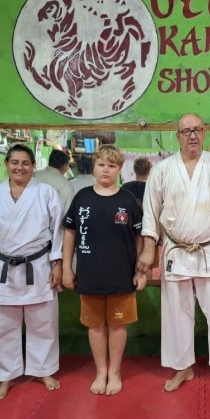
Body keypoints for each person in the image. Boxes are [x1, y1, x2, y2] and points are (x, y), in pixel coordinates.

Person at [136, 113, 210, 395]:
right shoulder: (162, 170)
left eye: (197, 130)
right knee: (177, 313)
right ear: (177, 137)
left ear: (205, 132)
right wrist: (148, 250)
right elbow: (151, 213)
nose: (192, 135)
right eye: (186, 131)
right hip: (176, 250)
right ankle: (183, 366)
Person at [0, 144, 65, 400]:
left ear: (33, 166)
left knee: (43, 322)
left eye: (26, 163)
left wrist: (58, 263)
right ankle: (5, 376)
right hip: (2, 268)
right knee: (2, 325)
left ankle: (43, 370)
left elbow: (58, 232)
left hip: (38, 266)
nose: (20, 167)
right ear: (6, 164)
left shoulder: (46, 193)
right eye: (15, 162)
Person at [62, 145, 147, 396]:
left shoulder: (128, 200)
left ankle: (115, 372)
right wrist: (66, 268)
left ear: (120, 169)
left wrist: (140, 271)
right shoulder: (82, 197)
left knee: (118, 325)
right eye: (101, 165)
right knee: (96, 326)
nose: (106, 170)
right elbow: (70, 233)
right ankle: (101, 371)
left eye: (112, 166)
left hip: (121, 274)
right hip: (89, 274)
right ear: (94, 167)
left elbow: (139, 238)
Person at [35, 148, 75, 214]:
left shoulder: (34, 175)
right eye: (68, 165)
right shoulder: (65, 184)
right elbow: (66, 211)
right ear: (64, 166)